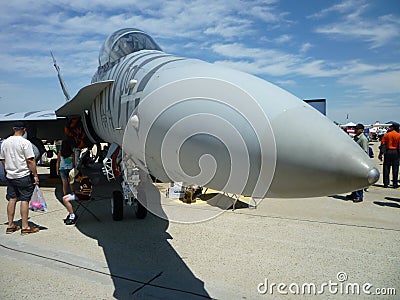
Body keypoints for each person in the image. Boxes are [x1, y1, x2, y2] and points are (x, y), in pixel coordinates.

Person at [0, 121, 40, 234]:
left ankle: (10, 225)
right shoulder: (25, 143)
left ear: (13, 128)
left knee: (12, 199)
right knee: (24, 200)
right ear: (24, 129)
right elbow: (30, 160)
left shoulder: (5, 142)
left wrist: (9, 169)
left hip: (10, 176)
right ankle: (25, 227)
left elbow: (3, 160)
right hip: (23, 175)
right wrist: (35, 175)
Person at [346, 123, 369, 203]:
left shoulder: (363, 139)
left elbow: (365, 151)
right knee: (353, 178)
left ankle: (359, 196)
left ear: (362, 130)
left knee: (359, 179)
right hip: (354, 161)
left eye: (357, 129)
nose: (355, 130)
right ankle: (354, 194)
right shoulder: (356, 138)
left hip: (360, 162)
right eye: (355, 129)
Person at [378, 123, 400, 188]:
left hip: (388, 152)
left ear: (393, 128)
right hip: (396, 152)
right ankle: (395, 183)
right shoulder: (399, 135)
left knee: (386, 168)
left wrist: (381, 154)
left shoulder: (386, 135)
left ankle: (386, 183)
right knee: (395, 168)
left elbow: (383, 145)